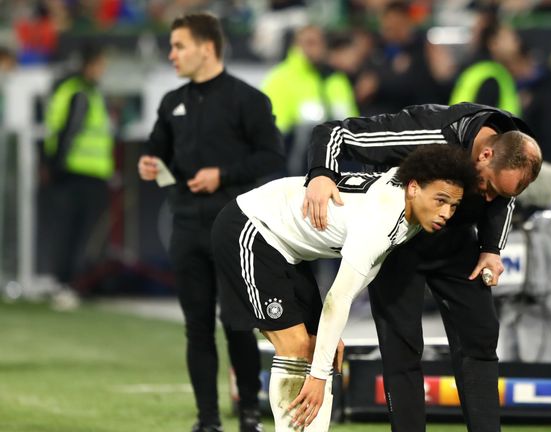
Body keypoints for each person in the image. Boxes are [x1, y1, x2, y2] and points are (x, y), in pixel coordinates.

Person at [302, 102, 542, 432]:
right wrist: (321, 174)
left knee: (481, 337)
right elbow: (333, 132)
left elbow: (503, 198)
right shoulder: (428, 132)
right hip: (398, 244)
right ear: (485, 155)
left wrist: (491, 249)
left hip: (456, 245)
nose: (486, 196)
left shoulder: (509, 149)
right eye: (485, 185)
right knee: (402, 351)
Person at [212, 145, 476, 431]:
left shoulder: (410, 203)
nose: (446, 213)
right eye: (441, 200)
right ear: (413, 188)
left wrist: (327, 342)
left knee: (319, 351)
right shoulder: (381, 220)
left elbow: (356, 284)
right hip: (251, 227)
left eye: (453, 205)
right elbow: (338, 298)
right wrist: (317, 376)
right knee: (297, 347)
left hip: (287, 246)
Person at [137, 12, 284, 432]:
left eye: (179, 46)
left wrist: (223, 174)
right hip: (185, 227)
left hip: (233, 228)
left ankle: (251, 417)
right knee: (196, 327)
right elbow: (156, 149)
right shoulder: (172, 102)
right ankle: (207, 421)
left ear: (207, 48)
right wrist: (149, 162)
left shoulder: (248, 99)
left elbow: (271, 156)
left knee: (237, 323)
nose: (172, 55)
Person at [42, 44, 112, 295]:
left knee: (75, 230)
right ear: (90, 65)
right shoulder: (80, 93)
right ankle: (67, 283)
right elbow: (68, 132)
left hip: (82, 172)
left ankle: (70, 283)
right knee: (76, 231)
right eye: (101, 64)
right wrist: (56, 167)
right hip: (77, 174)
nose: (104, 70)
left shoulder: (83, 91)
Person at [261, 25, 358, 175]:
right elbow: (274, 131)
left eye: (319, 42)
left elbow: (352, 123)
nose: (315, 48)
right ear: (296, 46)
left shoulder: (336, 79)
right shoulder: (280, 78)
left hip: (337, 161)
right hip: (295, 164)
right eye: (309, 42)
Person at [449, 15, 521, 115]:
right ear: (493, 43)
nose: (516, 43)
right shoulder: (489, 77)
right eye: (509, 38)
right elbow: (483, 124)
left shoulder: (480, 69)